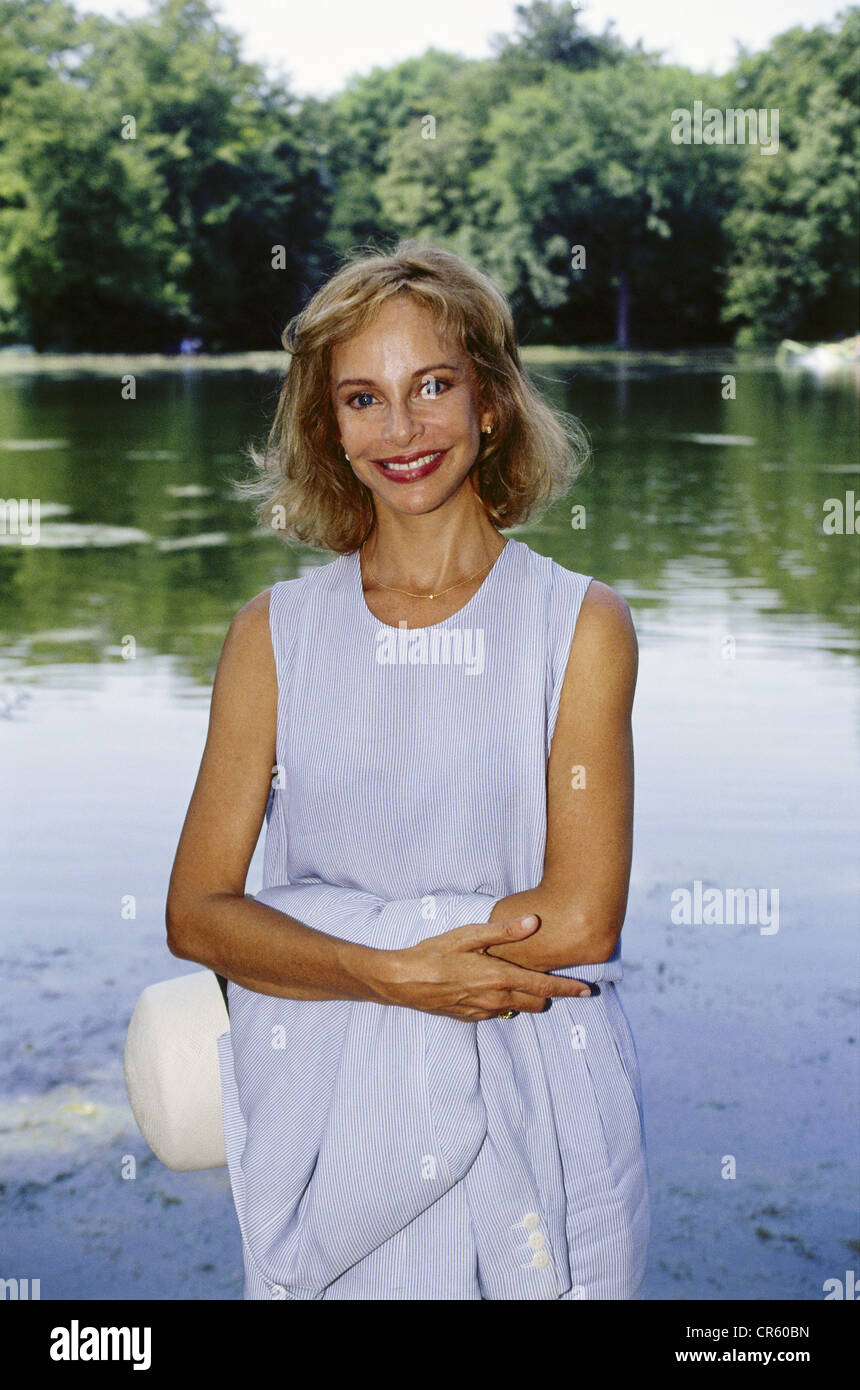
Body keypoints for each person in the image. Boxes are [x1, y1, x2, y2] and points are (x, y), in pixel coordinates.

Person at [165, 241, 650, 1300]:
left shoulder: (580, 624)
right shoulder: (273, 636)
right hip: (332, 1125)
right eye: (362, 398)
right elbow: (197, 914)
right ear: (328, 430)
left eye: (431, 385)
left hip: (541, 1107)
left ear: (488, 401)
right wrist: (386, 972)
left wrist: (315, 929)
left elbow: (579, 920)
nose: (401, 429)